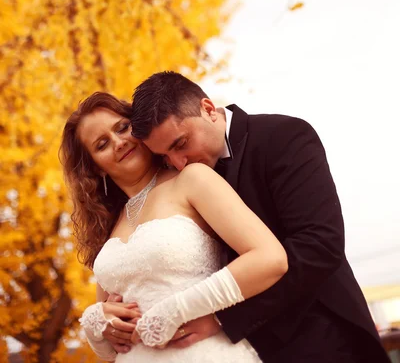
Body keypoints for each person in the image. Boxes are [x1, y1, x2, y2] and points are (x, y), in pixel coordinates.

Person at [110, 70, 388, 363]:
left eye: (181, 144)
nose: (179, 163)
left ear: (207, 109)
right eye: (165, 156)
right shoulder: (175, 183)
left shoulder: (283, 136)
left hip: (321, 335)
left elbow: (319, 244)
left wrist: (221, 318)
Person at [60, 91, 288, 362]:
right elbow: (112, 350)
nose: (119, 142)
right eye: (102, 144)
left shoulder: (192, 179)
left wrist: (177, 309)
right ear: (96, 168)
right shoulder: (110, 224)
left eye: (122, 128)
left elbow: (270, 258)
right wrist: (97, 325)